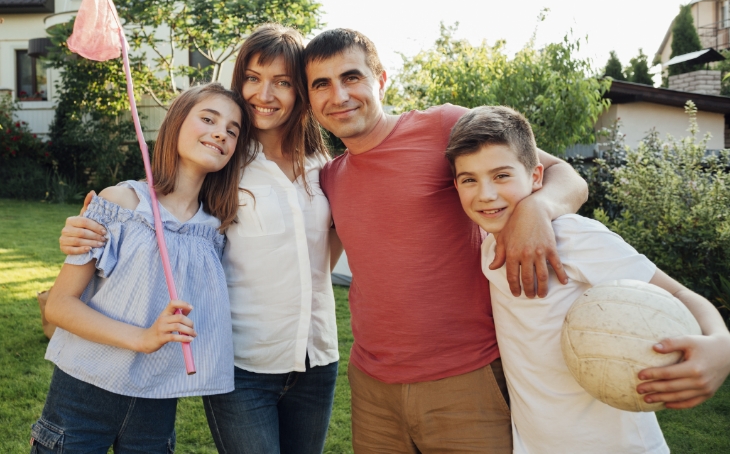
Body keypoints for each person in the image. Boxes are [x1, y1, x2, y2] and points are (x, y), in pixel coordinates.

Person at [59, 24, 341, 454]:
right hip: (245, 358)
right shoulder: (225, 165)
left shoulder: (325, 166)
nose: (265, 94)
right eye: (253, 77)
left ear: (299, 89)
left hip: (317, 354)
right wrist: (86, 227)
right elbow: (162, 206)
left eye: (282, 82)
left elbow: (332, 237)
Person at [302, 29, 588, 452]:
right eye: (321, 84)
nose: (339, 95)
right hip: (372, 387)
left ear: (380, 81)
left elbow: (566, 175)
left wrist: (536, 209)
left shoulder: (442, 126)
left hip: (466, 379)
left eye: (351, 77)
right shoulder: (328, 177)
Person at [446, 105, 730, 453]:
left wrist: (721, 342)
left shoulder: (571, 236)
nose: (486, 194)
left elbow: (678, 293)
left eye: (502, 176)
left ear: (536, 176)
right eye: (469, 180)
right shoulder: (488, 249)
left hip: (618, 445)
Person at [32, 83, 250, 453]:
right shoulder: (120, 202)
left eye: (232, 130)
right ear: (177, 122)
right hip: (83, 390)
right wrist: (142, 338)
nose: (220, 133)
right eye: (209, 119)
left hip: (157, 401)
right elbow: (58, 305)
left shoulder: (216, 230)